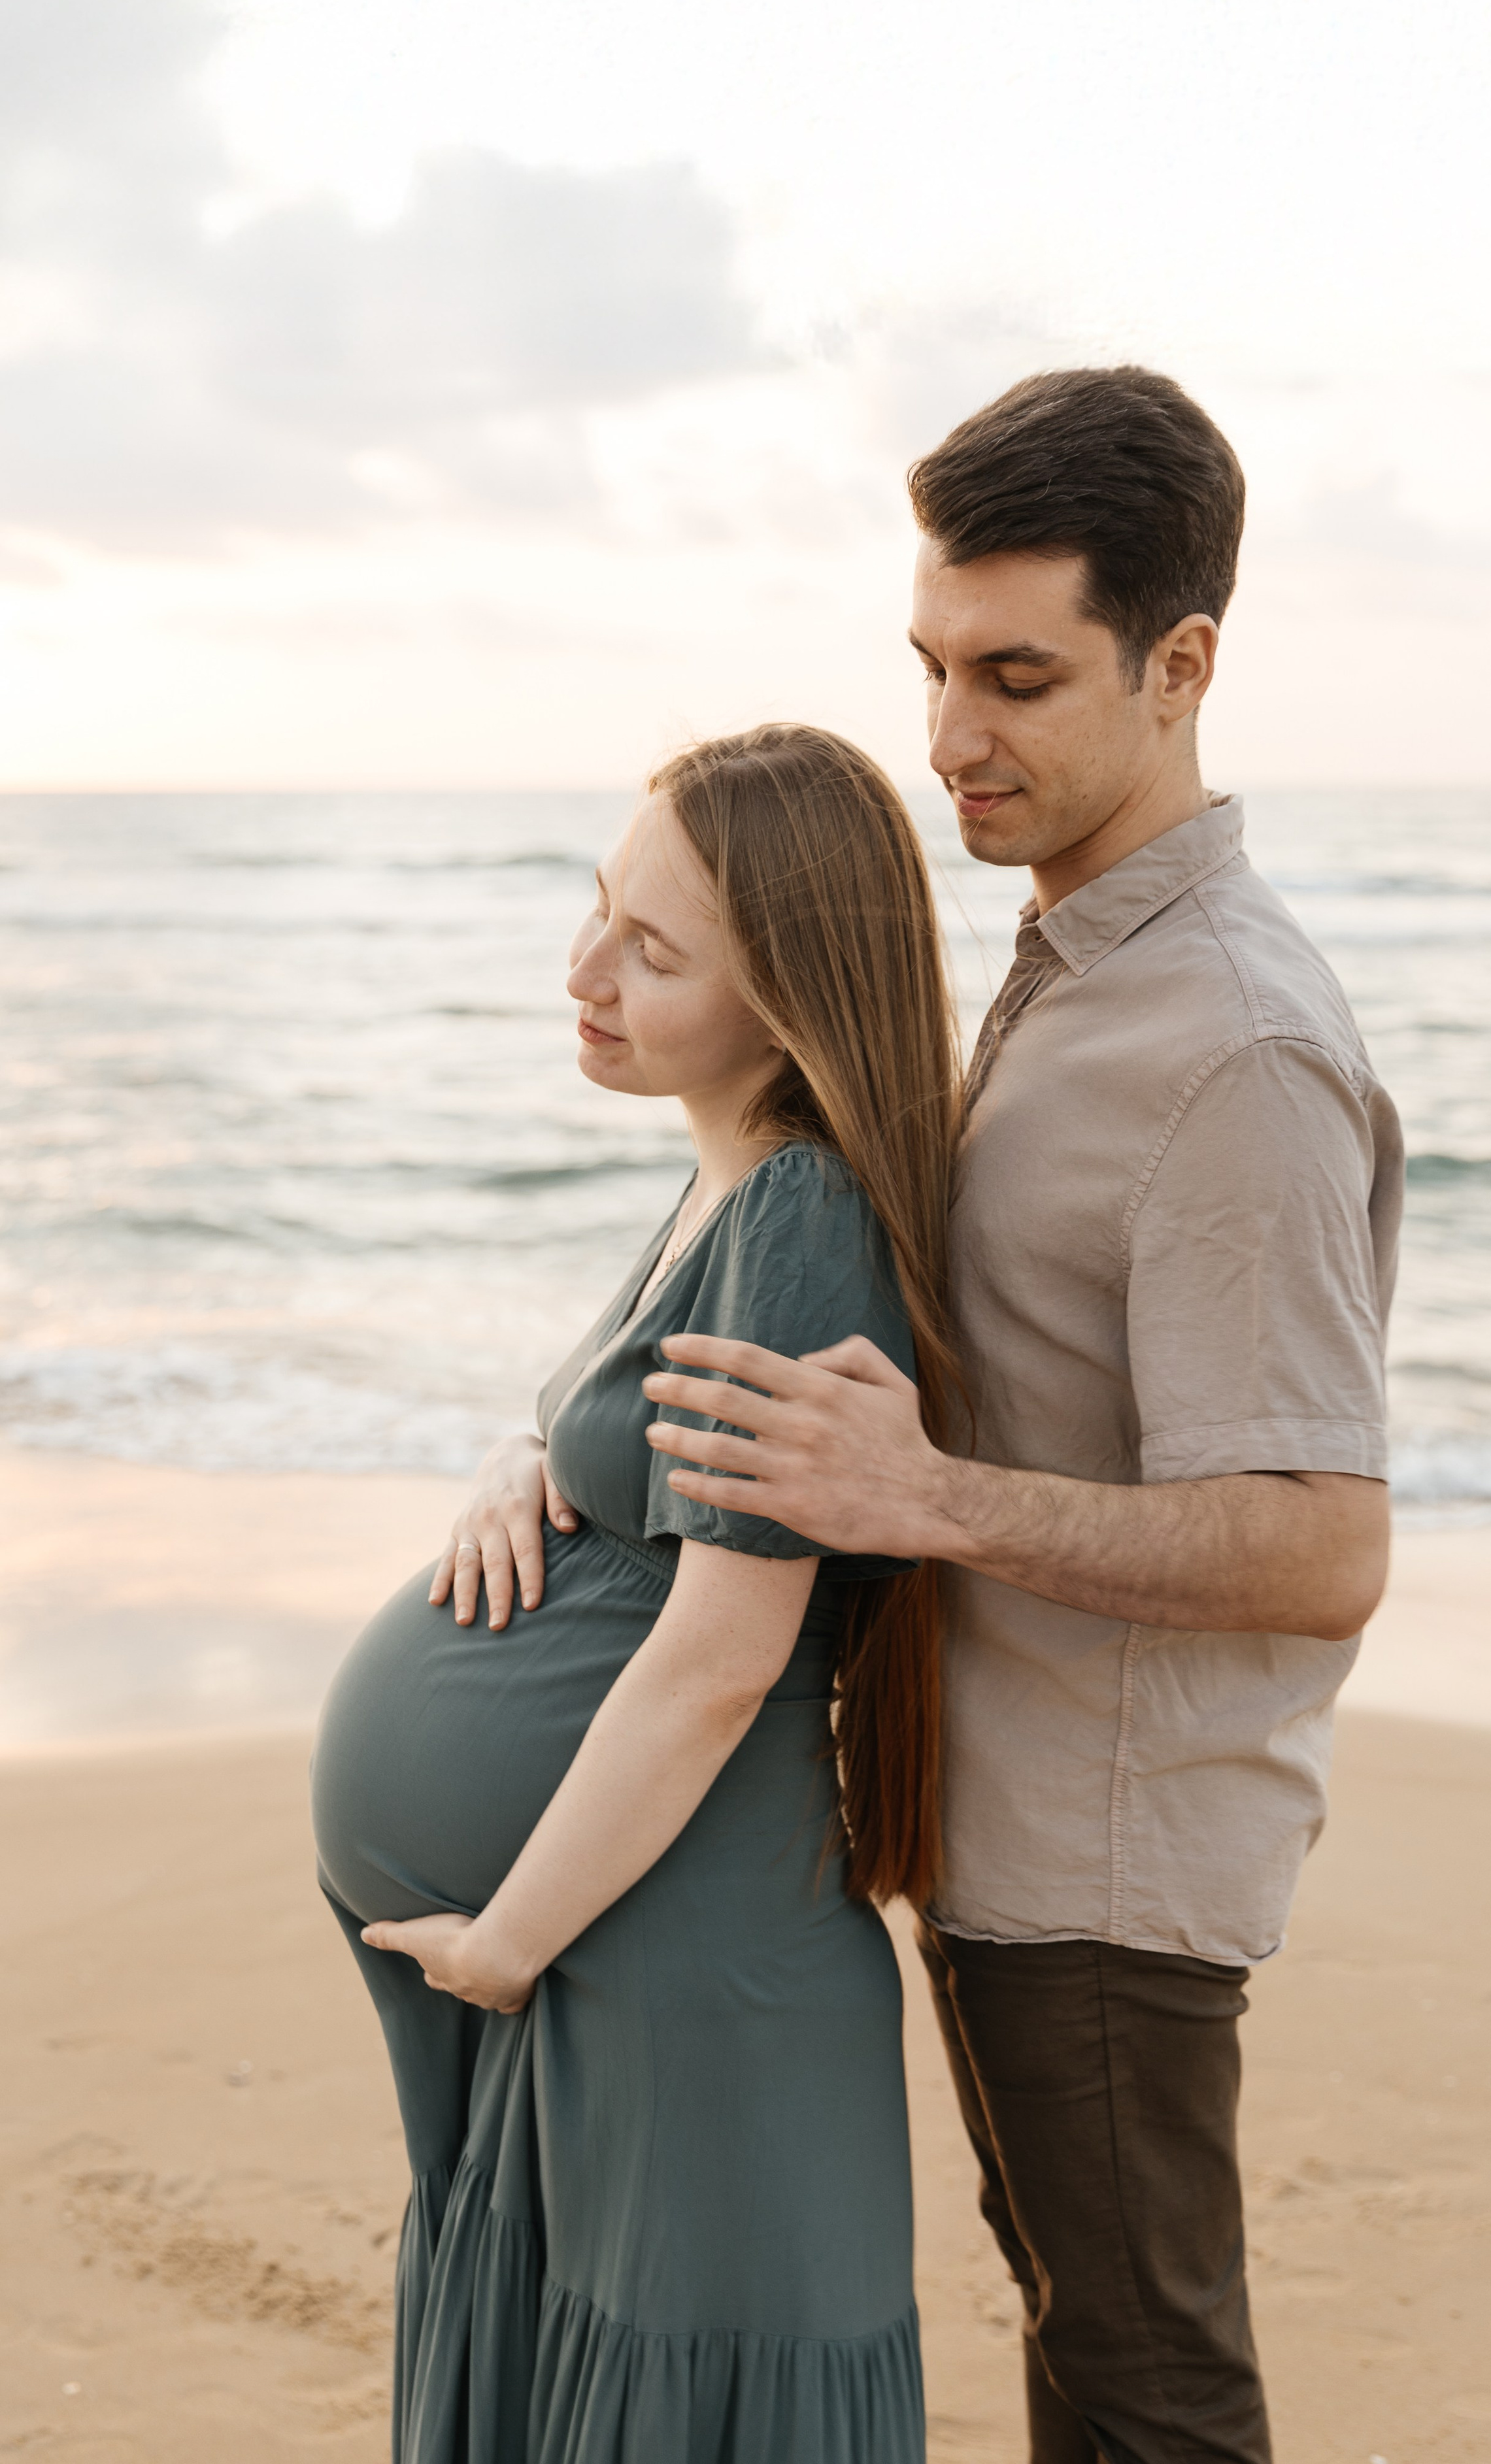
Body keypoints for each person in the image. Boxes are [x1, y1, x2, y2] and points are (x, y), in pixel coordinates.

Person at [641, 368, 1405, 2464]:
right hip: (1013, 1831)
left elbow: (1323, 1538)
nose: (948, 735)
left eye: (1015, 677)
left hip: (1111, 1868)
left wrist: (926, 1497)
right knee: (1092, 2349)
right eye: (930, 666)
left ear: (1182, 667)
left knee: (1149, 2393)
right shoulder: (1075, 955)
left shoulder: (1231, 1045)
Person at [310, 725, 964, 2463]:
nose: (584, 970)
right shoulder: (728, 1184)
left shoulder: (801, 1209)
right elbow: (646, 1473)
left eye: (653, 952)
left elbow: (720, 1656)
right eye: (600, 904)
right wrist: (523, 1455)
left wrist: (505, 1946)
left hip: (681, 1975)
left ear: (791, 1003)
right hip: (636, 1945)